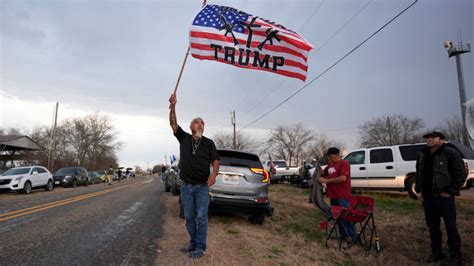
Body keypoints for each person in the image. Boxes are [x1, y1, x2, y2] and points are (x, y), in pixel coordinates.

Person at [169, 93, 220, 259]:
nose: (201, 125)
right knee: (189, 217)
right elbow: (173, 123)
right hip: (186, 186)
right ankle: (193, 243)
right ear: (191, 126)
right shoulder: (183, 138)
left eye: (203, 123)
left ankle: (200, 247)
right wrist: (173, 106)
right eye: (198, 122)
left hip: (201, 187)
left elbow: (216, 160)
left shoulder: (208, 143)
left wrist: (213, 175)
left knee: (201, 217)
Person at [415, 131, 467, 264]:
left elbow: (460, 173)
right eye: (427, 138)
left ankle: (455, 255)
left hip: (444, 198)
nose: (429, 140)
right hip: (428, 198)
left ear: (442, 140)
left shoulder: (450, 153)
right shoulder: (422, 154)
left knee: (450, 226)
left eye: (433, 137)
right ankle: (436, 253)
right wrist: (419, 191)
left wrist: (450, 190)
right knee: (433, 227)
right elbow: (418, 173)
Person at [319, 147, 357, 245]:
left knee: (345, 217)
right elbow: (324, 173)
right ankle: (344, 237)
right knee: (338, 217)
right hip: (333, 195)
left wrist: (327, 181)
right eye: (328, 156)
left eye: (330, 156)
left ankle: (353, 238)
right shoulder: (330, 165)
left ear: (336, 155)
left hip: (342, 195)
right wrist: (318, 169)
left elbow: (343, 178)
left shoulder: (344, 163)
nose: (330, 158)